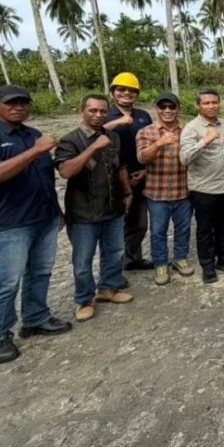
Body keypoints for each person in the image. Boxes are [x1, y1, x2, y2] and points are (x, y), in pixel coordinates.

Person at [0, 85, 72, 364]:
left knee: (41, 272)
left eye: (24, 103)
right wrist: (35, 151)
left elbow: (44, 177)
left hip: (43, 218)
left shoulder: (32, 134)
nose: (19, 107)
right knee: (7, 281)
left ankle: (35, 318)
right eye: (11, 103)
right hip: (10, 223)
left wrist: (57, 210)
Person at [54, 94, 136, 323]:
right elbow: (66, 171)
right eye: (93, 110)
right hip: (83, 212)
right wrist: (93, 147)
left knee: (115, 252)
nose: (98, 115)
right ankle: (84, 299)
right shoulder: (70, 140)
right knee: (83, 260)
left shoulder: (113, 138)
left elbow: (121, 167)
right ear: (82, 111)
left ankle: (108, 288)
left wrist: (127, 191)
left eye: (102, 111)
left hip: (113, 207)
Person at [180, 89, 224, 283]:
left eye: (214, 102)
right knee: (205, 229)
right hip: (204, 189)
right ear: (198, 106)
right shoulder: (192, 129)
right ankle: (207, 266)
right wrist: (204, 141)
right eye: (206, 103)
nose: (211, 106)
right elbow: (184, 158)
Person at [136, 92, 193, 286]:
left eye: (171, 106)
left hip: (183, 191)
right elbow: (142, 158)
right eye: (163, 107)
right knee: (158, 231)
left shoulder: (187, 131)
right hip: (156, 193)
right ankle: (160, 263)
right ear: (157, 109)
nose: (167, 110)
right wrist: (160, 143)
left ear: (178, 109)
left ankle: (180, 258)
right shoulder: (146, 132)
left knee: (183, 228)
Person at [102, 72, 153, 273]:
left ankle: (133, 259)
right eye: (121, 90)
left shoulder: (143, 116)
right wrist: (117, 123)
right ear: (113, 92)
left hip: (140, 177)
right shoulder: (104, 115)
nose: (126, 94)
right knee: (116, 227)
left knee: (139, 224)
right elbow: (90, 135)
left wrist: (146, 171)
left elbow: (150, 143)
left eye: (131, 91)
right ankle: (114, 270)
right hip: (112, 180)